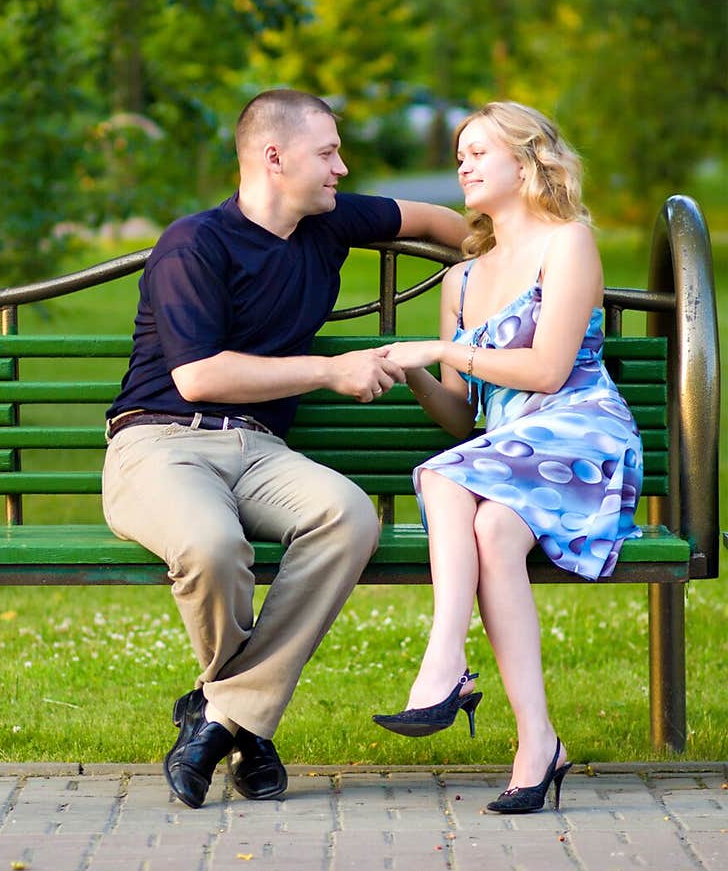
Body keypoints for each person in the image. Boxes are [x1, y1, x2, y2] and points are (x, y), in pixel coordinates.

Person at [102, 87, 466, 809]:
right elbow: (199, 376)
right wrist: (333, 370)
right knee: (210, 547)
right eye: (327, 152)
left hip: (261, 450)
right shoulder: (195, 244)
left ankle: (219, 718)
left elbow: (440, 221)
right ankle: (249, 727)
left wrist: (511, 257)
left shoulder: (329, 223)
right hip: (159, 441)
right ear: (275, 157)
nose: (341, 167)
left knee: (350, 516)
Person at [372, 100, 643, 814]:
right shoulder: (461, 281)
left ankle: (443, 663)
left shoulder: (569, 242)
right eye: (459, 152)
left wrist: (442, 348)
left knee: (438, 477)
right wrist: (415, 370)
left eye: (477, 151)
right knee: (491, 530)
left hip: (580, 436)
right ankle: (539, 742)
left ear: (524, 164)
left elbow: (550, 370)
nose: (462, 163)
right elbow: (465, 415)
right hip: (503, 451)